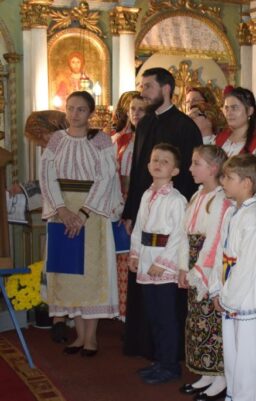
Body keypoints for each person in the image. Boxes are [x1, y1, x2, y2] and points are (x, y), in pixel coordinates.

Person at [122, 67, 202, 360]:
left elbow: (192, 177)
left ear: (166, 89)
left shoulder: (185, 126)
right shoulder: (144, 124)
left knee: (167, 302)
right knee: (145, 293)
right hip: (145, 210)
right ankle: (144, 347)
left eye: (148, 86)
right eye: (142, 86)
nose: (143, 92)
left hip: (171, 219)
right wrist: (131, 212)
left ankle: (170, 356)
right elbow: (136, 170)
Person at [40, 91, 123, 356]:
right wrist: (62, 210)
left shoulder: (100, 139)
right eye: (70, 108)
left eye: (81, 109)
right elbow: (46, 175)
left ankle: (91, 338)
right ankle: (78, 336)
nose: (74, 114)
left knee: (91, 274)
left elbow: (106, 177)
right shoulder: (56, 139)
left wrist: (84, 213)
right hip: (62, 210)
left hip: (93, 212)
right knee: (69, 273)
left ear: (90, 113)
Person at [210, 154, 256, 401]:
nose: (222, 181)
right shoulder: (232, 212)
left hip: (244, 293)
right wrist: (217, 288)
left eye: (228, 177)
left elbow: (247, 263)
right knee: (232, 352)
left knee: (247, 355)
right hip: (229, 286)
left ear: (246, 183)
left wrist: (229, 297)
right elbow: (220, 252)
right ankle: (234, 395)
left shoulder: (254, 216)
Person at [129, 143, 189, 384]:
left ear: (175, 170)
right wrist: (135, 255)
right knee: (153, 315)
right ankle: (159, 360)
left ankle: (170, 365)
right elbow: (139, 227)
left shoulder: (177, 199)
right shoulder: (146, 195)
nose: (158, 164)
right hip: (146, 260)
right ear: (147, 165)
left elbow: (179, 234)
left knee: (166, 317)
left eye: (165, 161)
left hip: (164, 264)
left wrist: (163, 263)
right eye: (155, 160)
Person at [178, 145, 232, 400]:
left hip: (208, 266)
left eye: (196, 163)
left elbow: (214, 239)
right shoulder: (197, 195)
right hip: (193, 262)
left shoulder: (220, 199)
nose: (190, 168)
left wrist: (201, 270)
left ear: (213, 169)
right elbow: (184, 233)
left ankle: (221, 377)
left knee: (212, 321)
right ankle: (206, 373)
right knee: (197, 321)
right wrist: (182, 266)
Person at [112, 91, 146, 321]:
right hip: (120, 200)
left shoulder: (154, 138)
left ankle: (137, 313)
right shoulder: (120, 139)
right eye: (133, 109)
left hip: (143, 201)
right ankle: (122, 311)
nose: (136, 113)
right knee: (122, 256)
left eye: (141, 109)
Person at [215, 87, 256, 164]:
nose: (229, 113)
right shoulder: (220, 138)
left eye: (234, 108)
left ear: (250, 111)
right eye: (226, 108)